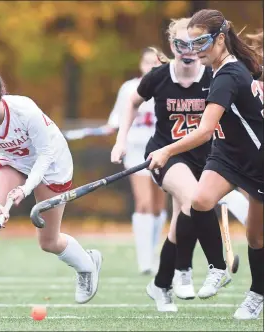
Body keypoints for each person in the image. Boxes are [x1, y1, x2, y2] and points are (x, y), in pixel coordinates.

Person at [0, 62, 102, 321]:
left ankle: (88, 264)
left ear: (1, 94)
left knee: (48, 242)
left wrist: (24, 190)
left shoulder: (25, 109)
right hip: (12, 161)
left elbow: (45, 154)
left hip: (52, 165)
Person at [148, 9, 263, 320]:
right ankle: (217, 267)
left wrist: (166, 151)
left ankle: (257, 294)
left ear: (220, 39)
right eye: (190, 42)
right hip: (227, 154)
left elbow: (204, 130)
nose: (195, 50)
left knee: (256, 238)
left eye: (201, 42)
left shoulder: (227, 75)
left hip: (258, 161)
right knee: (199, 201)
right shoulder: (221, 71)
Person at [112, 17, 230, 312]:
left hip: (205, 158)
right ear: (172, 46)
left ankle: (161, 284)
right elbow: (131, 101)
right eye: (180, 44)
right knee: (194, 200)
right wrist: (121, 140)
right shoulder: (158, 76)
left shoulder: (214, 77)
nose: (187, 50)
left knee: (182, 219)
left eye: (194, 44)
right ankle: (195, 268)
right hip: (165, 155)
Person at [105, 47, 167, 275]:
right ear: (140, 64)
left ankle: (153, 253)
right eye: (146, 62)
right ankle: (145, 261)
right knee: (144, 203)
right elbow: (118, 118)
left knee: (159, 206)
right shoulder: (129, 88)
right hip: (135, 152)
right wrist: (113, 127)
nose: (150, 66)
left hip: (163, 150)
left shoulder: (168, 85)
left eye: (155, 62)